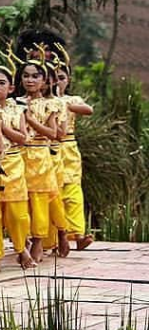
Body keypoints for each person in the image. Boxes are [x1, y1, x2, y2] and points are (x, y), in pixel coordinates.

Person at [18, 59, 63, 264]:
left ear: (44, 81)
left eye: (35, 76)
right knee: (20, 202)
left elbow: (53, 133)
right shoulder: (15, 102)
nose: (30, 80)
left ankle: (38, 240)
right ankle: (22, 241)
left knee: (39, 202)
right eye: (26, 75)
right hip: (19, 157)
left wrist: (30, 120)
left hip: (41, 157)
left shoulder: (49, 104)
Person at [0, 59, 32, 271]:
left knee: (17, 212)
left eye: (1, 82)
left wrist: (3, 127)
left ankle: (21, 248)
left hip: (13, 163)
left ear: (11, 87)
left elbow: (23, 138)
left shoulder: (17, 110)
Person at [53, 58, 94, 251]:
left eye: (61, 77)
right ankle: (56, 236)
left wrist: (65, 105)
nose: (57, 81)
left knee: (73, 192)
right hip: (48, 149)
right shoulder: (43, 102)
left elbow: (88, 110)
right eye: (53, 77)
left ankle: (78, 234)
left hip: (68, 148)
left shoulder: (71, 100)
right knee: (54, 194)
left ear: (68, 79)